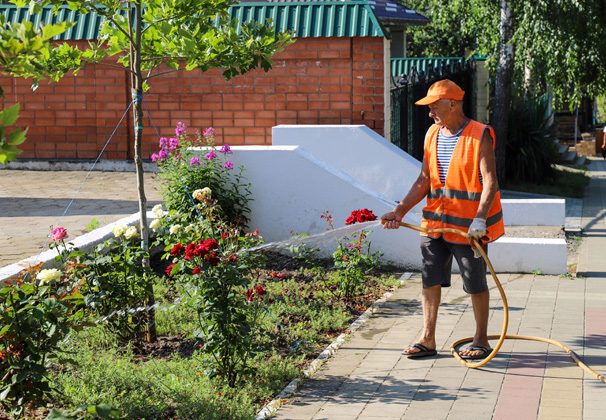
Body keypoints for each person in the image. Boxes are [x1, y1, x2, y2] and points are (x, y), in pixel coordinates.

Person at [381, 79, 504, 360]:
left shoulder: (479, 134)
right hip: (435, 223)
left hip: (469, 228)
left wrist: (480, 220)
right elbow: (424, 179)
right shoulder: (432, 134)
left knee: (475, 282)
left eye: (434, 106)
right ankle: (428, 338)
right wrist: (399, 210)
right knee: (429, 278)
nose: (430, 112)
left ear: (452, 104)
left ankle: (481, 339)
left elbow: (490, 182)